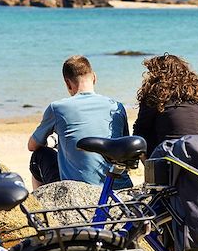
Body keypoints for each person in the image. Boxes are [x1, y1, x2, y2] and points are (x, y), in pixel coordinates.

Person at [28, 55, 132, 190]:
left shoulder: (57, 108)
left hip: (79, 188)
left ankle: (43, 204)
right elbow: (123, 146)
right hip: (119, 185)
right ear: (94, 77)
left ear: (67, 83)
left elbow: (32, 146)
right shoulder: (117, 106)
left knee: (39, 155)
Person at [133, 54, 198, 157]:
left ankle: (153, 169)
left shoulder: (155, 94)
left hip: (174, 156)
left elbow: (140, 129)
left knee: (144, 133)